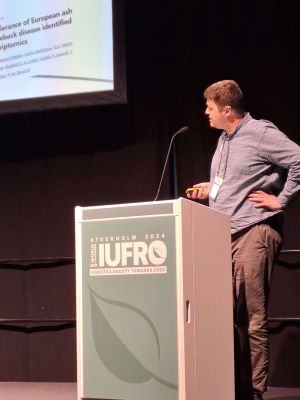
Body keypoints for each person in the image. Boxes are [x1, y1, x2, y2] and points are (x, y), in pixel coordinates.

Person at [186, 80, 300, 400]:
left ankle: (255, 392)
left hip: (255, 230)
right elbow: (232, 178)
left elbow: (298, 159)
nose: (205, 112)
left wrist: (282, 199)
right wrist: (212, 190)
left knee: (252, 318)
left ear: (227, 109)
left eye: (210, 107)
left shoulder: (259, 133)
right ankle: (234, 388)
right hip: (225, 234)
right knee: (228, 316)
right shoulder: (224, 139)